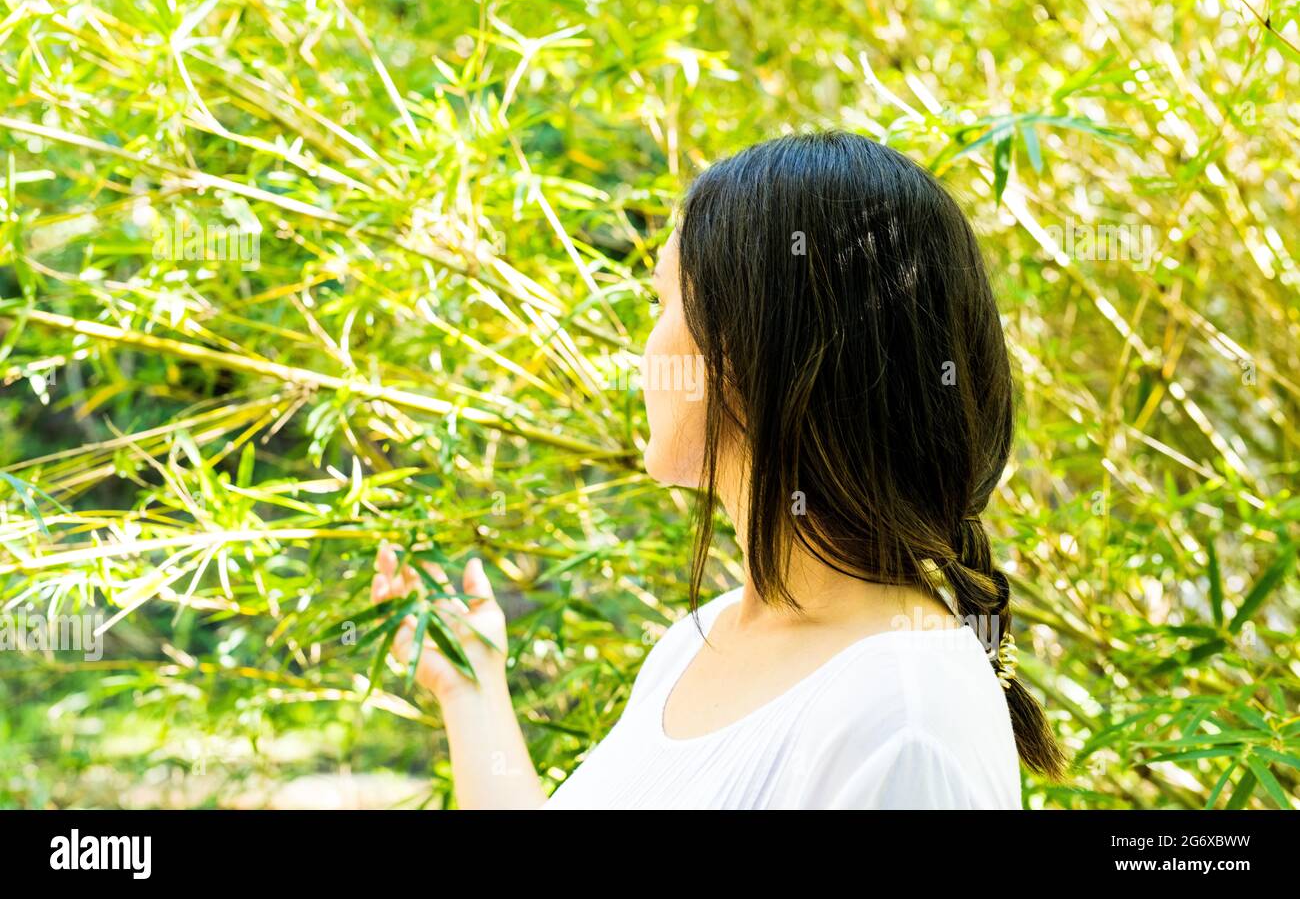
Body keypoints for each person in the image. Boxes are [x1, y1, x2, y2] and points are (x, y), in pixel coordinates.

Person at [371, 130, 1071, 809]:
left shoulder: (903, 717)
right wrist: (472, 684)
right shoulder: (694, 647)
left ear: (747, 350)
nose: (639, 352)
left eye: (660, 302)